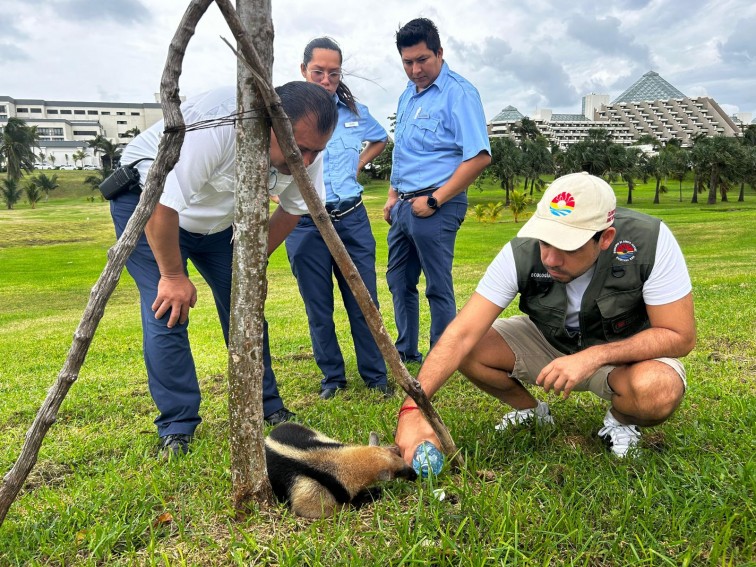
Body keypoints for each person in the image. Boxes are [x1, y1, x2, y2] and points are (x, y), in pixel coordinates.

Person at [395, 172, 696, 459]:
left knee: (658, 389)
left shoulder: (651, 241)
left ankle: (620, 420)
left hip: (624, 356)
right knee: (468, 346)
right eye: (545, 241)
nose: (549, 258)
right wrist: (412, 409)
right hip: (550, 342)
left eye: (567, 245)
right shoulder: (521, 252)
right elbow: (461, 334)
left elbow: (679, 336)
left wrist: (593, 357)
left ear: (605, 238)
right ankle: (532, 412)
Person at [110, 82, 338, 457]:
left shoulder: (306, 151)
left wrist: (252, 262)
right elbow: (163, 205)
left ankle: (267, 404)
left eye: (317, 151)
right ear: (271, 123)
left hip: (217, 223)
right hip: (148, 205)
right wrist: (172, 277)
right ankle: (177, 425)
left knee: (245, 307)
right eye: (302, 149)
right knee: (167, 308)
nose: (309, 160)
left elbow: (294, 209)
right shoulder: (218, 123)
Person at [285, 37, 391, 400]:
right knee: (319, 307)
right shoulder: (286, 115)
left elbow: (380, 139)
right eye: (318, 72)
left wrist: (358, 165)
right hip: (304, 223)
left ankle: (376, 377)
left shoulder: (355, 113)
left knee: (365, 302)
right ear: (304, 71)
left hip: (351, 219)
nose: (326, 79)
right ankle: (333, 378)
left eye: (333, 73)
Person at [383, 18, 491, 364]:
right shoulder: (407, 96)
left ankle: (441, 359)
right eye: (407, 62)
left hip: (436, 204)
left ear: (440, 53)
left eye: (423, 60)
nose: (415, 70)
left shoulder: (459, 93)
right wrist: (391, 196)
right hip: (403, 205)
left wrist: (434, 200)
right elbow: (403, 151)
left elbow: (479, 157)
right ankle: (406, 352)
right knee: (399, 282)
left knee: (437, 286)